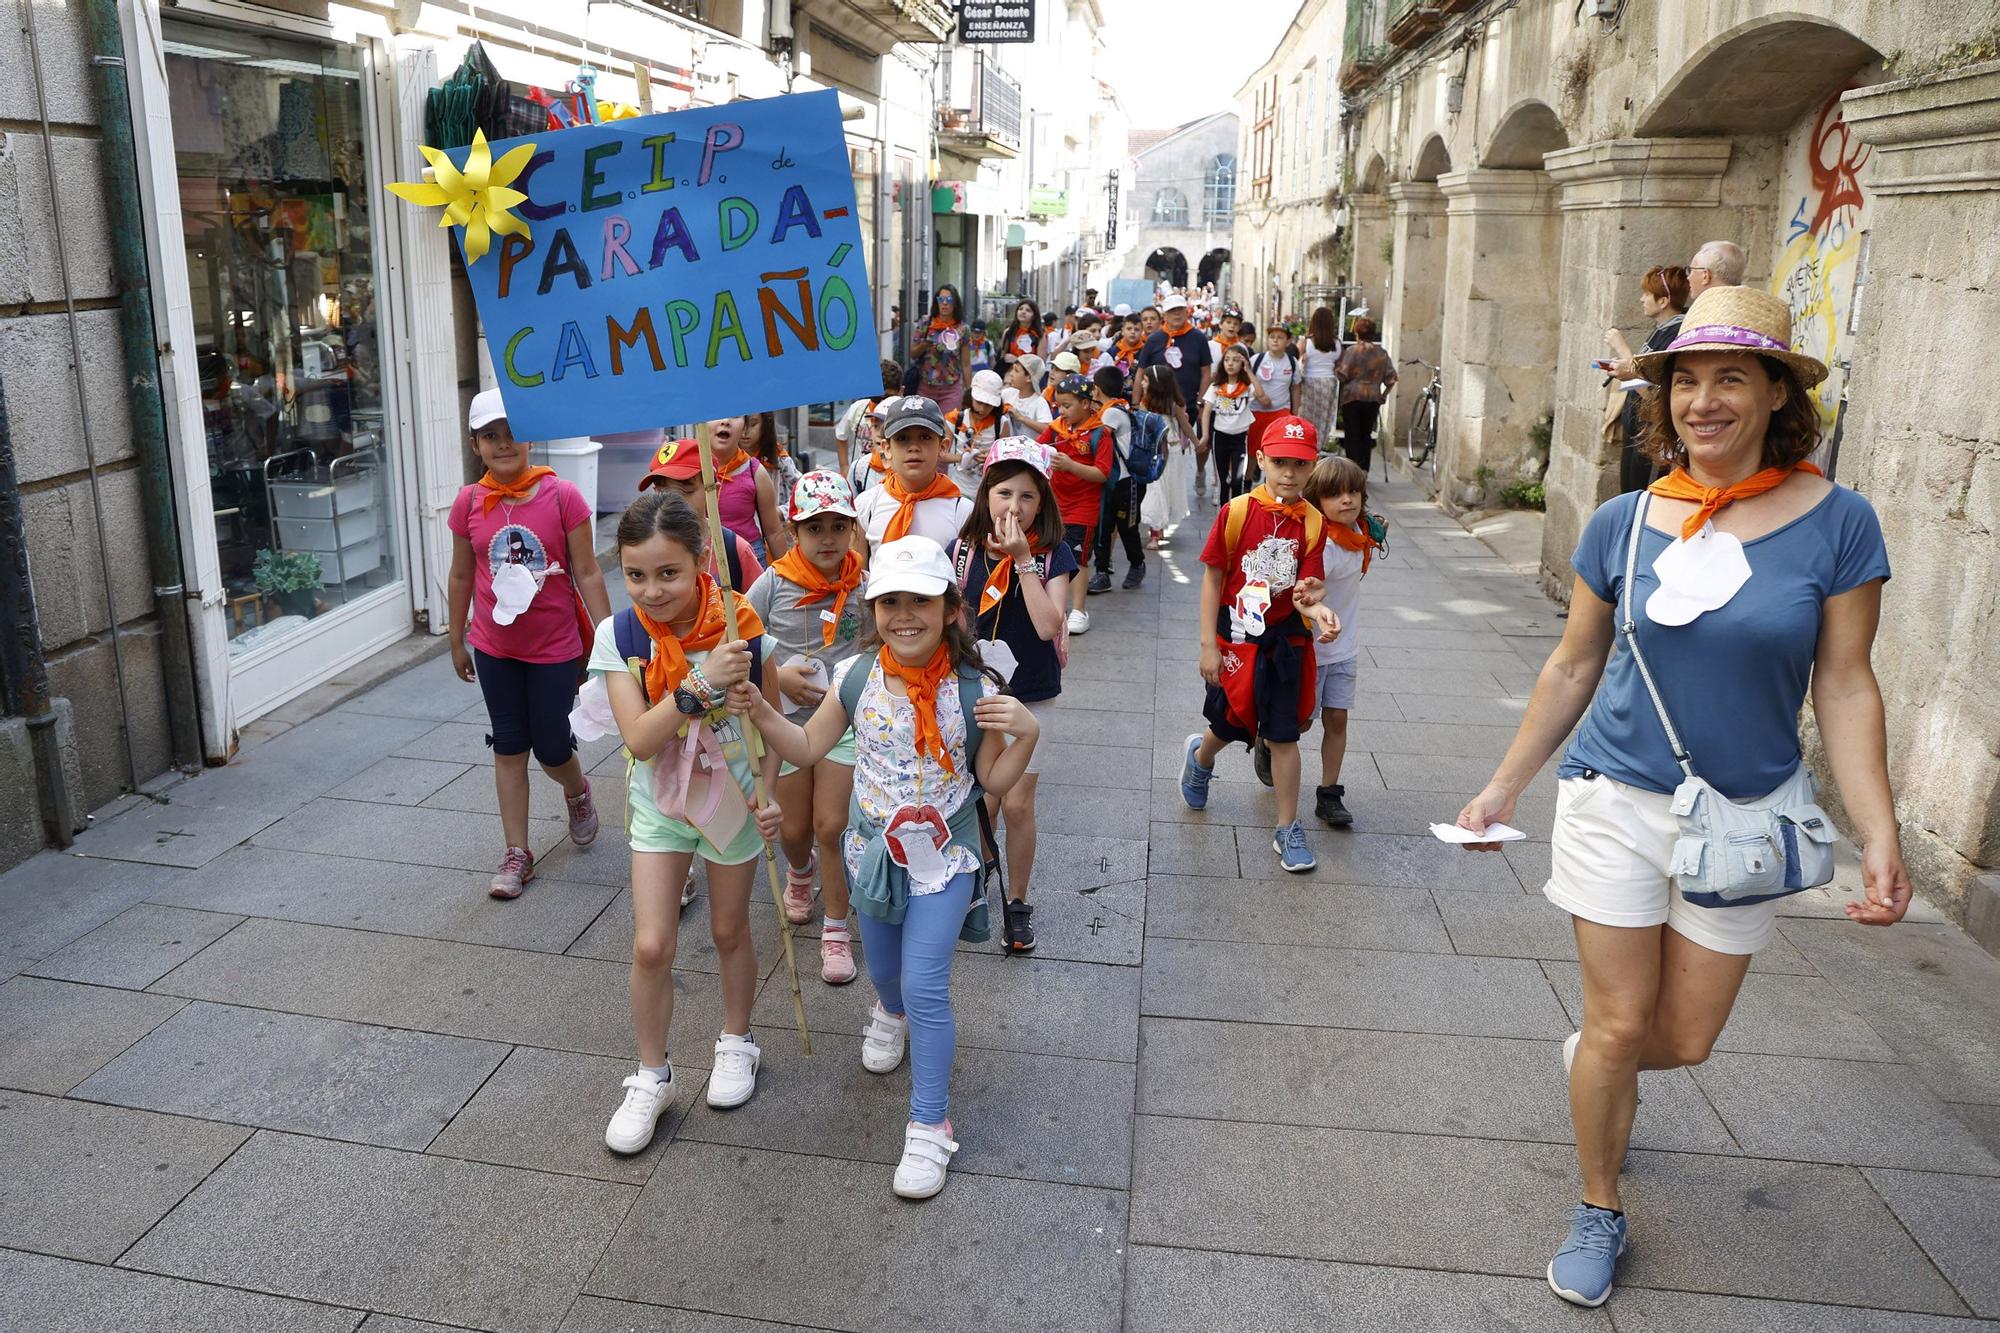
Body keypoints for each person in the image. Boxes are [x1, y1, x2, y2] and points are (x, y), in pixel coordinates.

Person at [1451, 286, 1905, 1310]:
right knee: (1616, 1024)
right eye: (1684, 381)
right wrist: (1501, 784)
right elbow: (1572, 667)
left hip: (1741, 820)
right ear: (1663, 399)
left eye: (1728, 378)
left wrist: (1874, 831)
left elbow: (1842, 682)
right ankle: (1597, 1202)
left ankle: (1593, 1073)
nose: (1702, 401)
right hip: (1614, 795)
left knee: (1684, 1038)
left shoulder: (1838, 523)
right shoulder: (1623, 520)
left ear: (1775, 393)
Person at [729, 535, 1039, 1199]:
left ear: (951, 608)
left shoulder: (974, 687)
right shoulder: (856, 676)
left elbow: (991, 778)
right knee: (890, 971)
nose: (904, 614)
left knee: (928, 982)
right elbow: (808, 744)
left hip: (945, 854)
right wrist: (760, 707)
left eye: (920, 600)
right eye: (889, 600)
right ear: (872, 610)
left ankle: (930, 1121)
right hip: (873, 852)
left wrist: (1028, 734)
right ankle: (889, 1010)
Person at [597, 489, 782, 1154]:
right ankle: (651, 1073)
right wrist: (698, 687)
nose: (651, 589)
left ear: (702, 559)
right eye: (636, 574)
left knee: (731, 927)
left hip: (730, 796)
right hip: (659, 797)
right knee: (652, 943)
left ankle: (737, 1039)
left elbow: (770, 714)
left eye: (668, 572)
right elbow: (641, 739)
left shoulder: (742, 627)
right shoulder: (619, 636)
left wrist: (769, 789)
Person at [447, 389, 611, 899]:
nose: (502, 443)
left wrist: (608, 643)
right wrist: (457, 639)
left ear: (530, 436)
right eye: (490, 435)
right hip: (495, 647)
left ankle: (576, 790)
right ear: (476, 444)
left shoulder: (562, 496)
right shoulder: (469, 503)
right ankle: (517, 852)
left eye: (510, 432)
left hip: (556, 649)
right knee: (509, 745)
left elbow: (587, 571)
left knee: (552, 746)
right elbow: (459, 575)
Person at [1178, 415, 1340, 872]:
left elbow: (1309, 589)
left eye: (1300, 464)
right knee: (1231, 721)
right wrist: (1208, 644)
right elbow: (1213, 580)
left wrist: (1318, 609)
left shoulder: (1312, 521)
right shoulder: (1236, 512)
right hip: (1236, 636)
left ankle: (1287, 827)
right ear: (1261, 459)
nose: (1289, 472)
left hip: (1286, 638)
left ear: (1312, 468)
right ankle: (1200, 757)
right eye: (1281, 462)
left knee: (1283, 733)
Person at [745, 472, 868, 986]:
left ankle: (837, 929)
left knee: (830, 828)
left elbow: (881, 642)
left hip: (842, 723)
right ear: (793, 531)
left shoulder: (864, 582)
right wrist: (781, 674)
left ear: (853, 530)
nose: (827, 539)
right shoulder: (772, 582)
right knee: (793, 830)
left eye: (838, 526)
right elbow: (741, 641)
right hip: (786, 725)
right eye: (814, 527)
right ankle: (800, 874)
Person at [952, 440, 1074, 955]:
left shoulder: (1053, 555)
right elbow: (953, 616)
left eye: (1028, 496)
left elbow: (1051, 625)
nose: (1014, 507)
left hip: (1030, 695)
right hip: (974, 687)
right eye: (1004, 492)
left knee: (1018, 801)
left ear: (1042, 503)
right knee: (983, 798)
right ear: (986, 493)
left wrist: (1024, 561)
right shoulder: (964, 548)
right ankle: (978, 880)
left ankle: (1017, 901)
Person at [1292, 454, 1377, 827]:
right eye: (1336, 494)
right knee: (1303, 723)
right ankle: (1267, 743)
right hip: (1311, 646)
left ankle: (1329, 794)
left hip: (1345, 646)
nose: (1347, 500)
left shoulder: (1361, 533)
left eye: (1354, 491)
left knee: (1337, 718)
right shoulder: (1318, 543)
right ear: (1316, 500)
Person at [1037, 374, 1114, 635]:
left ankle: (1079, 610)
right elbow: (1037, 448)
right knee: (1050, 550)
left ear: (1085, 403)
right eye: (1059, 405)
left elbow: (1102, 473)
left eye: (1068, 405)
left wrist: (1070, 465)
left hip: (1084, 506)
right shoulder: (1057, 427)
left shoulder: (1100, 433)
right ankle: (1051, 603)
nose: (1062, 410)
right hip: (1054, 503)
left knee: (1079, 558)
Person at [1604, 266, 1690, 494]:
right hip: (1637, 434)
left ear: (1663, 302)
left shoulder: (1676, 334)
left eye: (1646, 294)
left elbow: (1657, 394)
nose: (1641, 299)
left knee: (1640, 498)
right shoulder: (1661, 330)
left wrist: (1623, 352)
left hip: (1651, 437)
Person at [852, 395, 975, 554]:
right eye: (902, 438)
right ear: (887, 448)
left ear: (943, 447)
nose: (914, 447)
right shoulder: (866, 506)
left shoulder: (963, 512)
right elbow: (858, 575)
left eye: (925, 437)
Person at [641, 438, 765, 591]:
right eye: (663, 492)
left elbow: (759, 610)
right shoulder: (647, 545)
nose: (672, 502)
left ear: (713, 491)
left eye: (685, 491)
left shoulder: (734, 550)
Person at [1087, 365, 1146, 592]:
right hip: (1110, 481)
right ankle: (1102, 573)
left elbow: (1096, 436)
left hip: (1124, 482)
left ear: (1097, 389)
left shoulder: (1112, 412)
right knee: (1103, 526)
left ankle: (1137, 564)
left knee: (1126, 528)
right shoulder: (1113, 408)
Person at [708, 416, 789, 564]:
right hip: (703, 561)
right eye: (716, 414)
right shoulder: (688, 470)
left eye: (735, 415)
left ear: (744, 427)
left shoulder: (755, 471)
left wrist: (787, 577)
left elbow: (773, 531)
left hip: (750, 560)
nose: (725, 421)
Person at [1201, 342, 1268, 505]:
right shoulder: (1216, 386)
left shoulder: (1247, 387)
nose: (1230, 364)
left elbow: (1263, 397)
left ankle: (1238, 513)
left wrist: (1249, 371)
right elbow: (1207, 411)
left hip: (1240, 438)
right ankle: (1224, 515)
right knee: (1223, 481)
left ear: (1243, 363)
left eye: (1235, 360)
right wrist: (1205, 435)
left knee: (1237, 481)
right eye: (1227, 360)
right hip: (1220, 437)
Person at [1136, 364, 1196, 546]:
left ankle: (1159, 527)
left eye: (1145, 380)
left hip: (1173, 451)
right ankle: (1155, 532)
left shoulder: (1173, 405)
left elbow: (1185, 426)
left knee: (1167, 489)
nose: (1142, 384)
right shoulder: (1144, 404)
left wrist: (1197, 442)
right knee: (1156, 490)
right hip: (1154, 453)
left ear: (1156, 384)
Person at [1136, 293, 1212, 425]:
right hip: (1155, 408)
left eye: (1180, 309)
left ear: (1186, 312)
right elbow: (1140, 373)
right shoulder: (1154, 340)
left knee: (1185, 445)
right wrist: (1135, 404)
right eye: (1172, 311)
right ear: (1164, 315)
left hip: (1189, 408)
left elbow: (1206, 373)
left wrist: (1200, 403)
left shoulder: (1199, 338)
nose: (1177, 313)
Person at [1333, 318, 1397, 474]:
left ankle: (1351, 468)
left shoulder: (1352, 351)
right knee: (1365, 434)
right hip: (1372, 398)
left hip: (1352, 397)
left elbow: (1342, 375)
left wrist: (1335, 368)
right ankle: (1364, 469)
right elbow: (1391, 378)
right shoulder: (1381, 353)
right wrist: (1383, 395)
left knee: (1352, 434)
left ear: (1357, 333)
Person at [835, 359, 903, 481]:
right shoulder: (858, 409)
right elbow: (840, 435)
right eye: (876, 398)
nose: (882, 403)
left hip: (895, 476)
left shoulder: (903, 412)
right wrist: (844, 466)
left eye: (888, 397)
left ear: (901, 391)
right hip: (863, 475)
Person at [912, 286, 972, 414]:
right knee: (924, 429)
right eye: (941, 299)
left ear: (955, 303)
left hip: (951, 390)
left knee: (948, 429)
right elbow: (913, 353)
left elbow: (966, 364)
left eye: (949, 299)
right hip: (926, 388)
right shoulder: (925, 323)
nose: (944, 303)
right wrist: (925, 345)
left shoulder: (963, 329)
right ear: (936, 302)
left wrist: (969, 392)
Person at [947, 369, 1007, 498]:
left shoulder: (1002, 424)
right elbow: (939, 455)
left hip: (987, 492)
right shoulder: (955, 419)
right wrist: (962, 458)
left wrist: (991, 458)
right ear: (971, 396)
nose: (983, 409)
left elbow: (1006, 458)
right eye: (979, 402)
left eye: (989, 405)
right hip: (958, 490)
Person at [1248, 324, 1300, 465]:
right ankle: (1248, 481)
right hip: (1256, 411)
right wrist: (1259, 396)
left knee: (1277, 450)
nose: (1275, 340)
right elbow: (1246, 383)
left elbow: (1296, 388)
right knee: (1253, 450)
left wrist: (1294, 414)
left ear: (1288, 342)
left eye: (1280, 337)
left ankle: (1272, 481)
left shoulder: (1292, 362)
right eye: (1272, 337)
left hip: (1281, 411)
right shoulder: (1256, 360)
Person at [1297, 307, 1342, 445]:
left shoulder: (1306, 341)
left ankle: (1304, 446)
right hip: (1329, 383)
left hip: (1309, 383)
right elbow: (1339, 365)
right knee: (1323, 419)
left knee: (1306, 418)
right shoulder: (1337, 343)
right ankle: (1318, 446)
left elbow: (1294, 360)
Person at [1000, 355, 1052, 440]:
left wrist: (1021, 418)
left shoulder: (1039, 402)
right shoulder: (1007, 393)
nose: (1011, 373)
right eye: (1012, 369)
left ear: (1029, 378)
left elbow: (1047, 429)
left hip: (1030, 450)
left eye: (1016, 370)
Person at [999, 300, 1045, 375]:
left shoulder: (1040, 335)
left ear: (1034, 316)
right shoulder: (1009, 332)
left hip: (1029, 376)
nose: (1023, 312)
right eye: (1020, 309)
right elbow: (1002, 356)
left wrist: (1017, 360)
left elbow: (1040, 363)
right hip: (1010, 374)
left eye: (1028, 310)